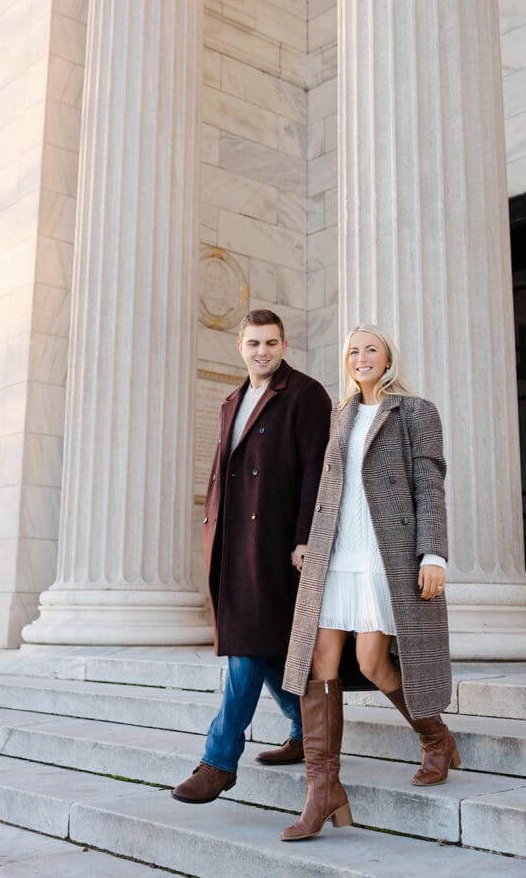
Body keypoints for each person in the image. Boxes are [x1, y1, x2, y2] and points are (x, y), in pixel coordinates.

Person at [280, 323, 459, 841]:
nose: (361, 357)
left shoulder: (416, 412)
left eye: (371, 349)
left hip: (386, 555)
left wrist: (434, 554)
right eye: (353, 351)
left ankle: (436, 738)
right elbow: (325, 488)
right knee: (319, 662)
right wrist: (308, 541)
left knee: (372, 662)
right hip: (337, 555)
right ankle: (323, 789)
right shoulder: (340, 415)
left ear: (387, 358)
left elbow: (429, 486)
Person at [172, 309, 332, 805]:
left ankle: (219, 761)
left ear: (284, 346)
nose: (262, 351)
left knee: (248, 646)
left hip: (277, 545)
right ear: (239, 346)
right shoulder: (231, 401)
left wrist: (305, 538)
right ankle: (305, 729)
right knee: (261, 645)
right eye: (254, 343)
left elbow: (317, 471)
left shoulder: (305, 394)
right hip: (232, 541)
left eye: (271, 342)